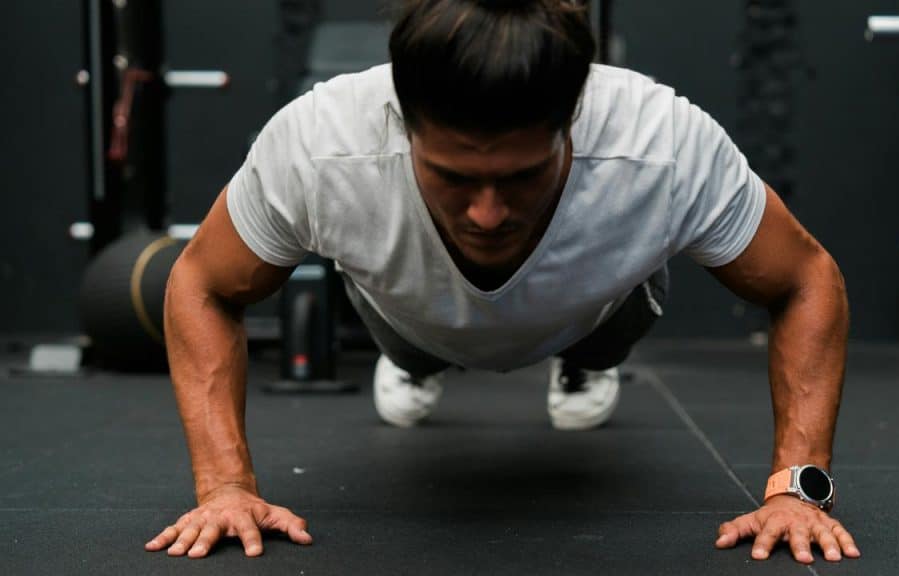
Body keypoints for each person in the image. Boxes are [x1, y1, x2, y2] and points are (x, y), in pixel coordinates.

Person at [145, 0, 860, 565]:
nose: (488, 214)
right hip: (407, 310)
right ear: (402, 123)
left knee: (605, 325)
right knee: (414, 336)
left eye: (522, 176)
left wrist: (799, 492)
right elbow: (202, 283)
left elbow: (806, 278)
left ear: (572, 118)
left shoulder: (662, 144)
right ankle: (419, 360)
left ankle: (580, 365)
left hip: (593, 310)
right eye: (455, 179)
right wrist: (226, 487)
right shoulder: (320, 144)